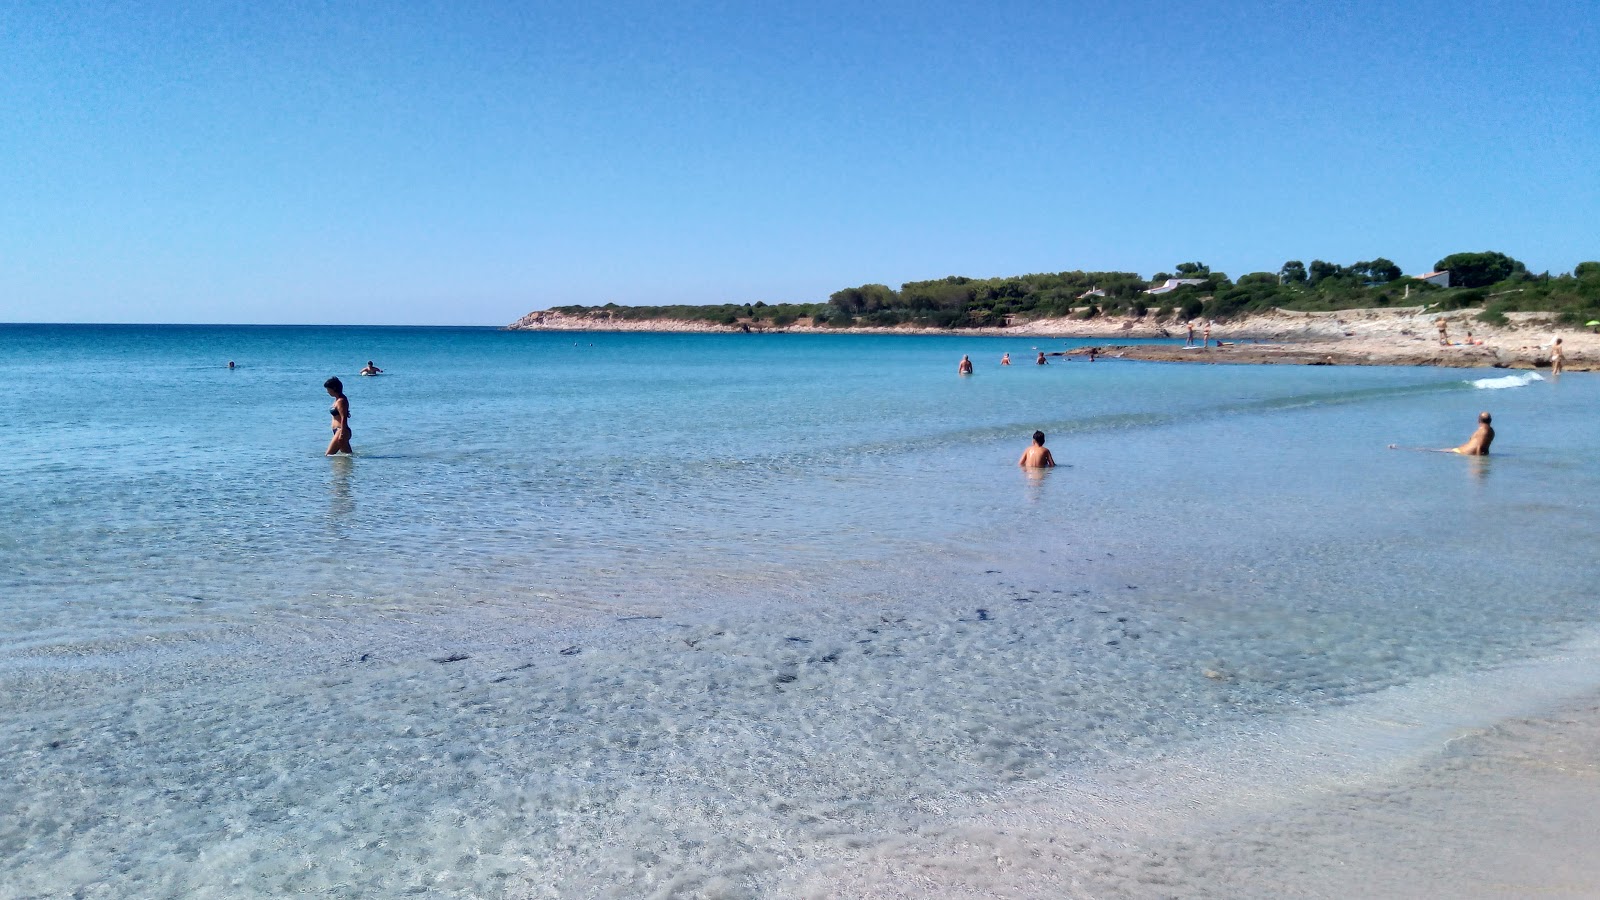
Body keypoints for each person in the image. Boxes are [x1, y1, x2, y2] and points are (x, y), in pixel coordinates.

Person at [324, 377, 353, 456]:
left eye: (328, 389)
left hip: (341, 430)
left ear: (334, 388)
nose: (327, 392)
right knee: (347, 456)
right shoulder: (337, 399)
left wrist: (342, 434)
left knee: (328, 455)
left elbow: (344, 418)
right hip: (338, 431)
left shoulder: (341, 401)